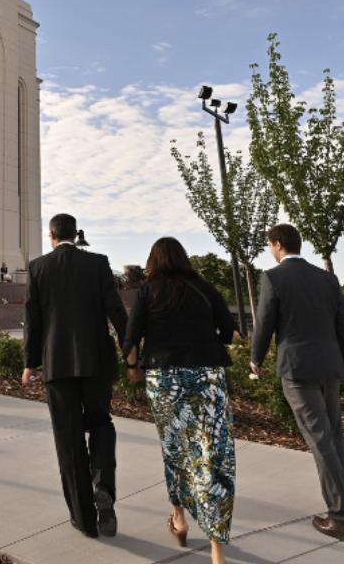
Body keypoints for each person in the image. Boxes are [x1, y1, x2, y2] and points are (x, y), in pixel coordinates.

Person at [123, 237, 236, 564]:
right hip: (208, 378)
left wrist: (133, 368)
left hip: (164, 378)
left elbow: (130, 338)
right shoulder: (203, 287)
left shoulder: (148, 290)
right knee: (213, 458)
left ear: (153, 261)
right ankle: (217, 554)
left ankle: (180, 519)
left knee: (175, 451)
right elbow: (228, 331)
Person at [250, 224, 344, 546]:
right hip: (330, 367)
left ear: (277, 244)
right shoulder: (327, 278)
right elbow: (343, 325)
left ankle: (343, 519)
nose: (269, 250)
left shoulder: (273, 278)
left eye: (270, 245)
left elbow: (265, 321)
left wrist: (255, 358)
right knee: (333, 438)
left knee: (320, 440)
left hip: (298, 369)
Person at [22, 213, 127, 540]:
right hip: (96, 361)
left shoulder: (38, 268)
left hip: (58, 365)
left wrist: (30, 363)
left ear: (51, 236)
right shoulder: (98, 263)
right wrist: (130, 350)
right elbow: (116, 310)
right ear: (76, 234)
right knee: (100, 422)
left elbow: (33, 318)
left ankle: (84, 519)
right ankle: (103, 487)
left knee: (68, 440)